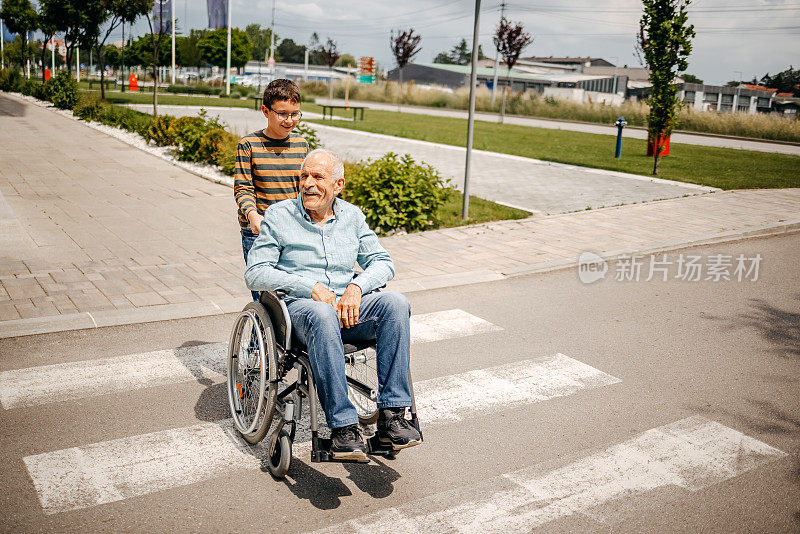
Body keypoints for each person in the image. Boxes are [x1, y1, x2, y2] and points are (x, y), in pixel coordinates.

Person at [244, 148, 422, 461]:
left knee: (395, 303)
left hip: (346, 308)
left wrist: (357, 286)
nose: (308, 184)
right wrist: (309, 287)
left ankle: (392, 417)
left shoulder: (352, 217)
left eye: (317, 177)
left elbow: (383, 262)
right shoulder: (279, 215)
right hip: (301, 312)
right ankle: (342, 427)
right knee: (321, 311)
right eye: (304, 177)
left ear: (337, 185)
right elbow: (256, 272)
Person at [234, 78, 308, 301]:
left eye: (295, 114)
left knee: (293, 294)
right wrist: (252, 215)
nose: (290, 120)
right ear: (266, 111)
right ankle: (261, 337)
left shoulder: (301, 145)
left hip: (293, 228)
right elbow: (243, 188)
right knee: (266, 298)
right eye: (283, 114)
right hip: (259, 231)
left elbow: (304, 188)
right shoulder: (249, 144)